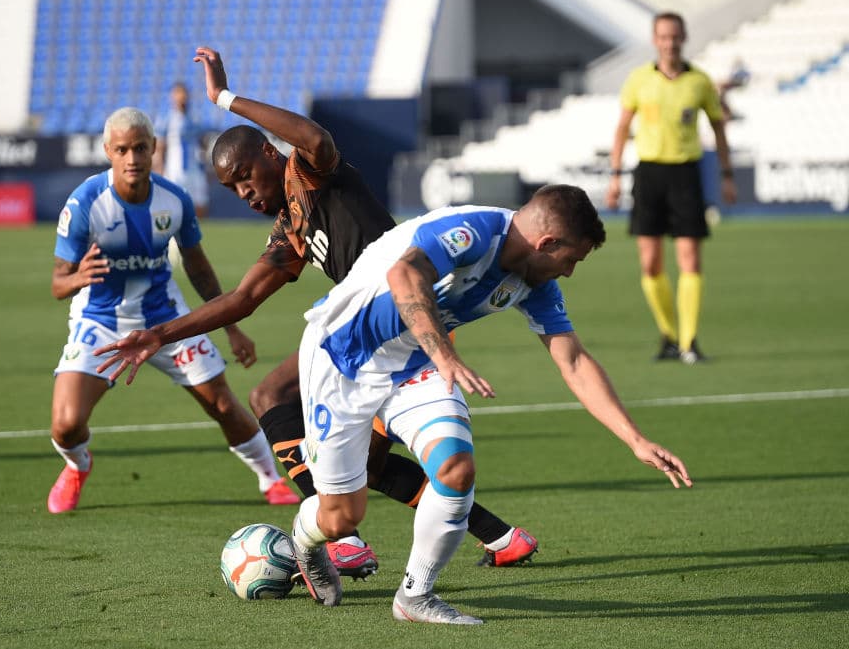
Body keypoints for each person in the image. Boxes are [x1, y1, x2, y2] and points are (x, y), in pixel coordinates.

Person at [95, 47, 539, 576]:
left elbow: (314, 139)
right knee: (302, 422)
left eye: (244, 177)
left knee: (338, 454)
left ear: (267, 152)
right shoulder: (291, 225)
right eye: (232, 189)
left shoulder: (313, 172)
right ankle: (498, 537)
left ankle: (341, 540)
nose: (244, 193)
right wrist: (158, 333)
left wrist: (224, 98)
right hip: (367, 341)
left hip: (403, 338)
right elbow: (242, 299)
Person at [289, 185, 693, 623]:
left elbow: (573, 359)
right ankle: (304, 542)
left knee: (456, 469)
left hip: (416, 365)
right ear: (547, 243)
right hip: (340, 357)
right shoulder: (472, 231)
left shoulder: (534, 281)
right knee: (341, 519)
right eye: (572, 260)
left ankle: (415, 597)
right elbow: (404, 277)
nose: (570, 272)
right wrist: (446, 355)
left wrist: (634, 439)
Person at [44, 106, 299, 514]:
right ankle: (77, 466)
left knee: (221, 404)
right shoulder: (85, 203)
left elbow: (197, 267)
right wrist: (77, 279)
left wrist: (232, 330)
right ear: (109, 151)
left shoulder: (174, 199)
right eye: (123, 150)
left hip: (166, 318)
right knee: (66, 424)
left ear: (153, 149)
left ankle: (269, 477)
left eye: (140, 148)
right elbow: (58, 283)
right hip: (101, 321)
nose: (132, 159)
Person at [605, 11, 737, 365]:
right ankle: (668, 335)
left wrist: (726, 174)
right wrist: (615, 175)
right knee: (649, 263)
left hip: (685, 174)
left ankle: (690, 341)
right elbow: (621, 129)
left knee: (690, 259)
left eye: (675, 36)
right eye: (663, 36)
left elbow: (719, 128)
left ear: (684, 38)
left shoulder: (700, 82)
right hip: (648, 174)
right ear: (655, 39)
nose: (670, 42)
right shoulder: (638, 80)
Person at [152, 82, 210, 218]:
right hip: (174, 170)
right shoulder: (166, 119)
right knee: (171, 204)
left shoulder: (195, 118)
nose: (181, 97)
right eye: (178, 94)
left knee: (200, 204)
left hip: (194, 169)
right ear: (172, 97)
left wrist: (206, 165)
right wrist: (158, 169)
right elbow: (160, 147)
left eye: (183, 94)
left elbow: (203, 143)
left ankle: (198, 234)